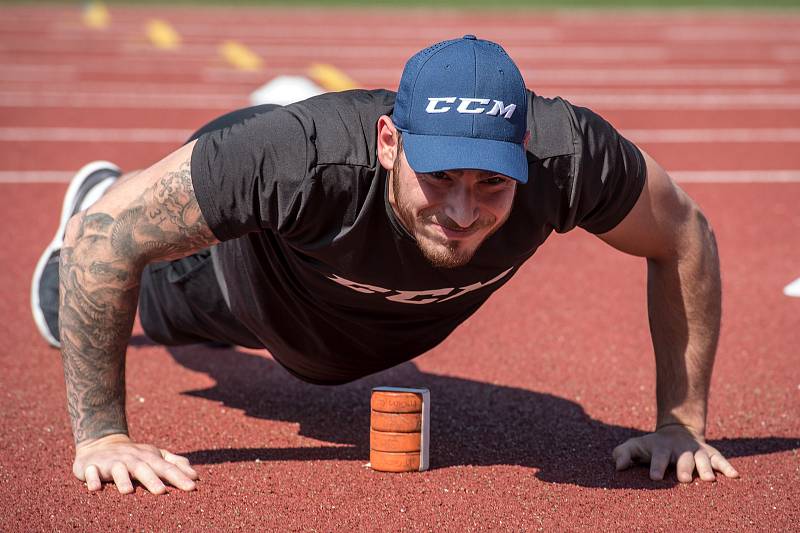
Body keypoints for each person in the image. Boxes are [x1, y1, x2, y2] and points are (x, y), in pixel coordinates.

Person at [31, 36, 740, 495]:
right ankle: (107, 185)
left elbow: (683, 233)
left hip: (362, 323)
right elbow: (104, 242)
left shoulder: (570, 159)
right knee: (135, 281)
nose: (464, 211)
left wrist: (681, 423)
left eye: (492, 181)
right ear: (390, 142)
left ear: (525, 150)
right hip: (243, 280)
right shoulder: (302, 159)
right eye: (441, 177)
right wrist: (103, 435)